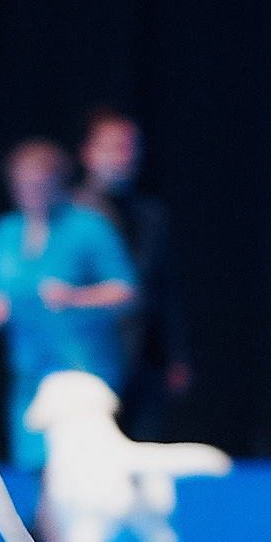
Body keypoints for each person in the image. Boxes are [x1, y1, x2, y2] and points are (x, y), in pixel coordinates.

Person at [0, 139, 138, 474]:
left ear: (58, 182)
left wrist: (75, 298)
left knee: (83, 469)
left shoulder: (89, 227)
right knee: (35, 469)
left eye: (38, 185)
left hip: (84, 373)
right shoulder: (4, 232)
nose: (30, 193)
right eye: (22, 185)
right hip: (30, 374)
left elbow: (126, 293)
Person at [75, 107, 189, 442]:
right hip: (88, 358)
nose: (124, 156)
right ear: (88, 152)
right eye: (113, 147)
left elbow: (163, 290)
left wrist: (174, 356)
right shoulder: (71, 216)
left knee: (142, 454)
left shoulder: (150, 216)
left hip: (142, 362)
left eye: (130, 146)